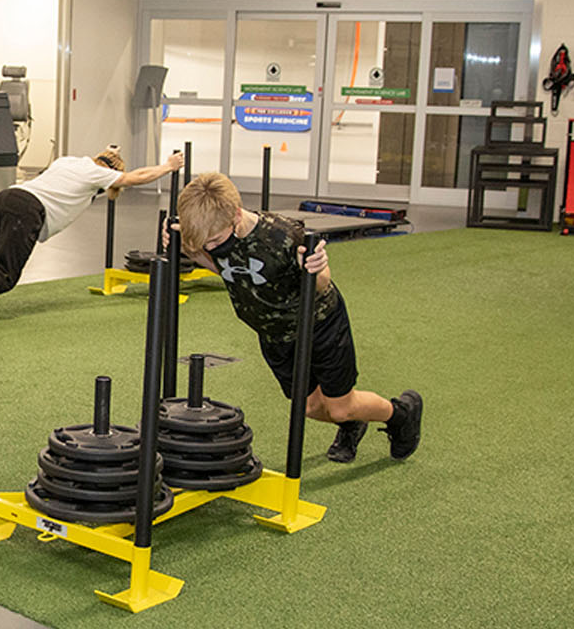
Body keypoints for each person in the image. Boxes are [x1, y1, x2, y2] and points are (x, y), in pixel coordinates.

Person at [175, 172, 422, 462]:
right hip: (275, 334)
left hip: (320, 324)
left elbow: (323, 282)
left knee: (340, 407)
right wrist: (184, 245)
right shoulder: (209, 236)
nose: (211, 248)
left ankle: (401, 414)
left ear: (236, 215)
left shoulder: (282, 235)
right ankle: (353, 424)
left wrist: (317, 267)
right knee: (309, 408)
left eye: (215, 240)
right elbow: (228, 269)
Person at [0, 145, 184, 326]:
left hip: (4, 198)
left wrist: (109, 154)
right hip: (27, 211)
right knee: (5, 276)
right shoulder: (97, 174)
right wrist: (167, 167)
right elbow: (134, 178)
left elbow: (87, 186)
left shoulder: (69, 162)